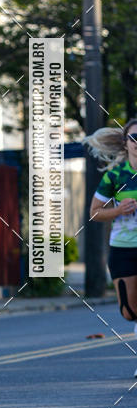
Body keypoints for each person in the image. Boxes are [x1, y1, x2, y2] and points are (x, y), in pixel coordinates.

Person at [86, 118, 137, 377]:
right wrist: (118, 210)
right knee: (129, 313)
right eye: (134, 138)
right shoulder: (115, 176)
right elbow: (95, 213)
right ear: (125, 143)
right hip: (124, 247)